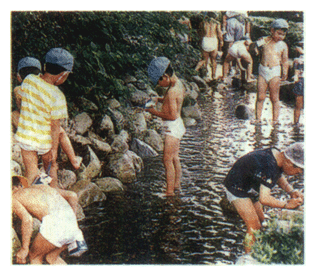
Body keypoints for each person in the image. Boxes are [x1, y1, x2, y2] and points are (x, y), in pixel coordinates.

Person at [223, 142, 304, 253]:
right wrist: (286, 205)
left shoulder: (279, 156)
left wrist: (291, 191)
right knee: (254, 226)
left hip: (250, 184)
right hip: (236, 187)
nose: (299, 173)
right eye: (299, 170)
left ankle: (256, 247)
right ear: (289, 162)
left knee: (260, 220)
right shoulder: (269, 166)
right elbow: (264, 199)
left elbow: (278, 175)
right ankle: (249, 258)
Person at [15, 48, 77, 188]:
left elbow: (21, 97)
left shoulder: (29, 80)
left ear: (44, 66)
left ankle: (31, 197)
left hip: (26, 136)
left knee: (31, 171)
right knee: (51, 167)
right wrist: (53, 151)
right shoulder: (58, 96)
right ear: (63, 75)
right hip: (44, 141)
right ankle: (53, 193)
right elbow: (55, 127)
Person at [12, 176, 87, 264]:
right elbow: (72, 195)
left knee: (34, 256)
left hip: (55, 224)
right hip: (72, 224)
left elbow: (27, 219)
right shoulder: (41, 186)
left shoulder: (13, 197)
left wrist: (24, 248)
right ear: (19, 185)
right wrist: (71, 225)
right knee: (51, 258)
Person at [146, 57, 185, 196]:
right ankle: (176, 185)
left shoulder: (171, 91)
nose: (158, 84)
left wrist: (153, 112)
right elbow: (174, 101)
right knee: (175, 158)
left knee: (167, 160)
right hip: (179, 125)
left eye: (158, 81)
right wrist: (159, 99)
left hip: (173, 128)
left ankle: (169, 193)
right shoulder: (178, 84)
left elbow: (172, 115)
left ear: (165, 77)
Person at [255, 19, 289, 123]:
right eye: (278, 34)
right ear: (271, 30)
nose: (280, 37)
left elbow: (285, 60)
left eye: (283, 35)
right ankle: (257, 118)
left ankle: (275, 120)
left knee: (274, 98)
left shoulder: (283, 45)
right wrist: (256, 48)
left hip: (275, 71)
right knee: (260, 97)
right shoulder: (264, 40)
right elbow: (254, 49)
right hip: (263, 70)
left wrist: (285, 72)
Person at [195, 12, 223, 80]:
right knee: (213, 60)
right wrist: (221, 41)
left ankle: (205, 75)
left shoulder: (203, 22)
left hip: (205, 39)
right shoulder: (217, 23)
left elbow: (200, 32)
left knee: (205, 60)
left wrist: (200, 41)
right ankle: (213, 76)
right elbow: (219, 32)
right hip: (213, 40)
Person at [292, 45, 304, 125]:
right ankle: (296, 123)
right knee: (298, 104)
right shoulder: (299, 59)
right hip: (301, 80)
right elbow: (297, 70)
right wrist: (296, 77)